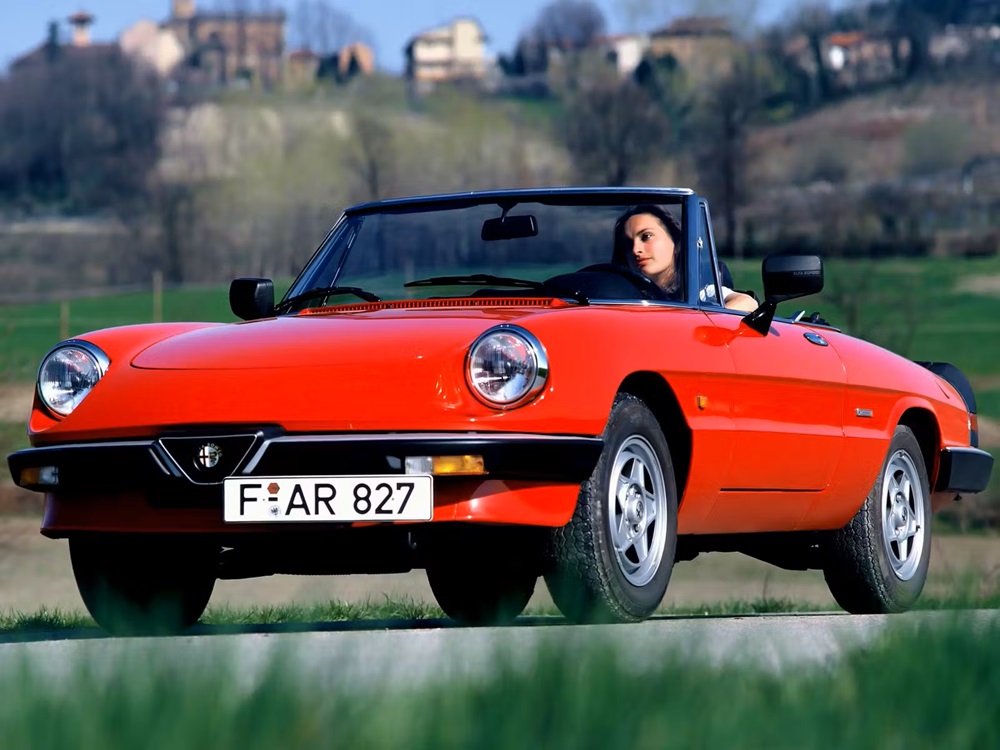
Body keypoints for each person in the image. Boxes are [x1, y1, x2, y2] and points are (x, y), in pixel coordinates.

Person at [612, 205, 758, 312]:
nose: (635, 249)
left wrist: (702, 320)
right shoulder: (617, 294)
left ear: (675, 242)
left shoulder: (698, 292)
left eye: (646, 236)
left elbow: (747, 303)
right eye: (627, 243)